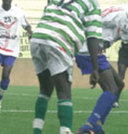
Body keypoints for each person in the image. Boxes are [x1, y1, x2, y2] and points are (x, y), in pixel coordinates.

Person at [76, 0, 128, 133]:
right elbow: (92, 22)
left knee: (119, 85)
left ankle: (97, 124)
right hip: (88, 51)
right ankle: (88, 127)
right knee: (111, 88)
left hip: (96, 53)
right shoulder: (118, 13)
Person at [30, 0, 102, 134]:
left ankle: (37, 131)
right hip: (59, 40)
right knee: (64, 92)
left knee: (45, 89)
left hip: (38, 37)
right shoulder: (93, 4)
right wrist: (95, 68)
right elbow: (93, 37)